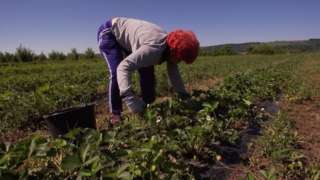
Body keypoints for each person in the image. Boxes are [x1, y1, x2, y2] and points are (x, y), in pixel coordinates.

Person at [97, 17, 199, 124]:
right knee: (116, 72)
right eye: (180, 59)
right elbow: (123, 68)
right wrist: (129, 98)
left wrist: (184, 96)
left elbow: (174, 73)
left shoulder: (170, 47)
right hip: (110, 32)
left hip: (132, 38)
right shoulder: (154, 49)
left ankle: (146, 106)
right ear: (174, 52)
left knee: (147, 73)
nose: (179, 62)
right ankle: (115, 114)